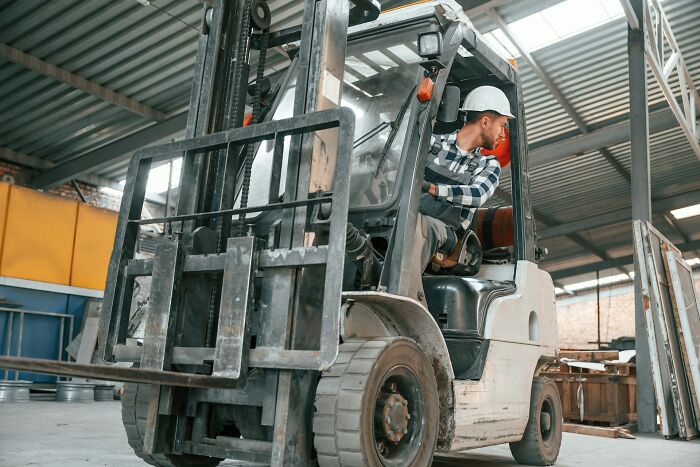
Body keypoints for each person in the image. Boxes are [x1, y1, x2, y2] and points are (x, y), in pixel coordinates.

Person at [409, 86, 515, 302]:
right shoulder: (432, 143)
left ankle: (407, 297)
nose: (503, 134)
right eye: (502, 126)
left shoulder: (488, 164)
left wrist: (432, 188)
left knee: (423, 227)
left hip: (448, 235)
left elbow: (477, 194)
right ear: (485, 122)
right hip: (409, 218)